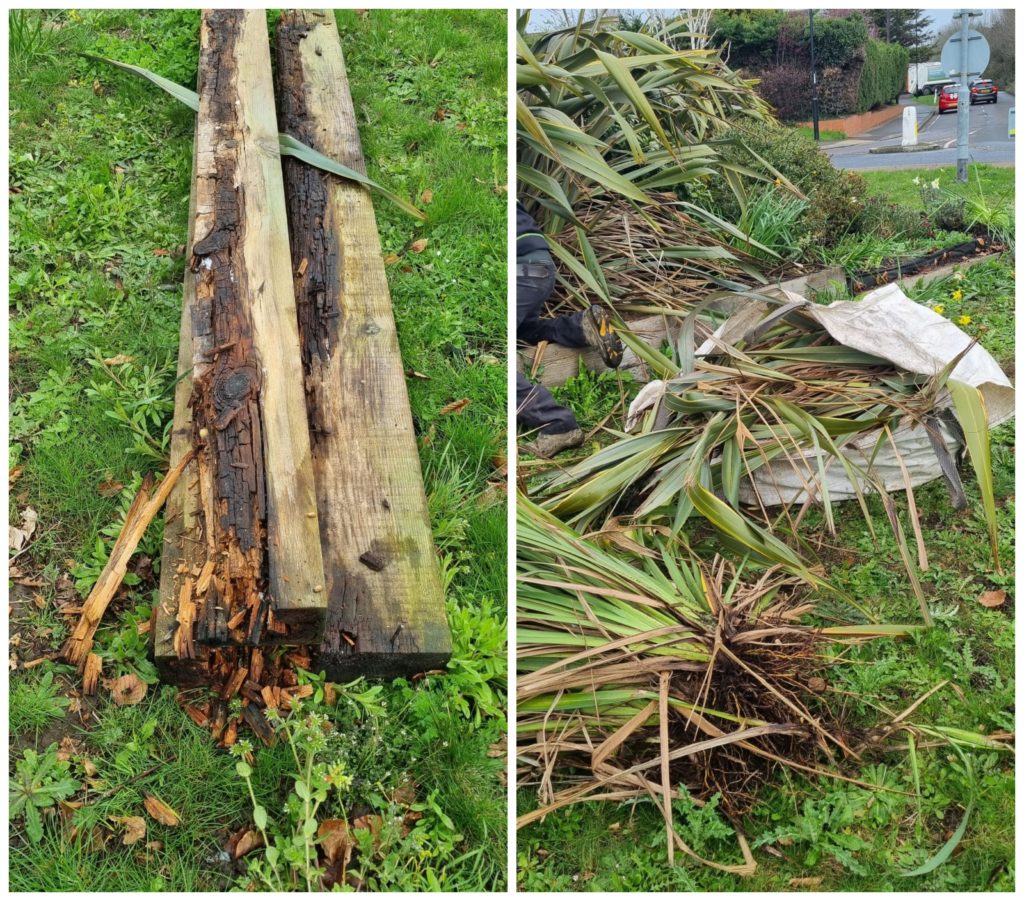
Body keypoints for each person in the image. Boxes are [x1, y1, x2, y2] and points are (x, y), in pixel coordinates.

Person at [516, 201, 623, 456]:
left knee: (491, 355)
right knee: (525, 330)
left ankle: (557, 423)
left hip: (519, 271)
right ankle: (581, 326)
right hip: (539, 266)